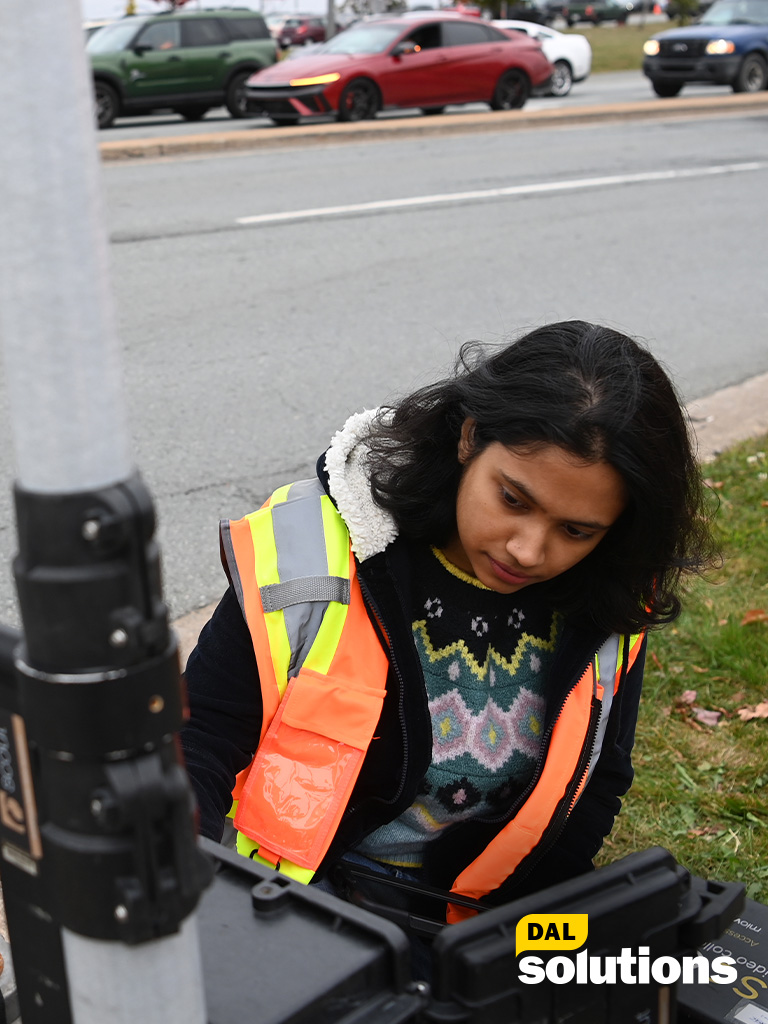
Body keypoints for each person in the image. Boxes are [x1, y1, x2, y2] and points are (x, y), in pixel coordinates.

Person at [180, 320, 714, 948]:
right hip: (281, 909)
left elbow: (595, 785)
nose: (527, 549)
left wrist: (518, 949)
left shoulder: (610, 598)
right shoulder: (311, 556)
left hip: (474, 929)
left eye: (577, 531)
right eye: (513, 499)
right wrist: (196, 895)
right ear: (468, 439)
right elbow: (200, 741)